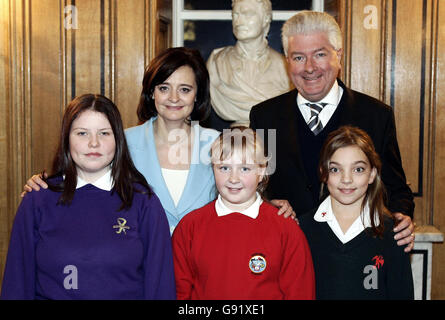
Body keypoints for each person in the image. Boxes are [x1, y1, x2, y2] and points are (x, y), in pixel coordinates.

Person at [22, 47, 295, 235]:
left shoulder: (218, 144)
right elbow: (85, 179)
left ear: (198, 96)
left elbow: (241, 189)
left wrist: (271, 204)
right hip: (138, 266)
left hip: (203, 267)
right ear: (151, 93)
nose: (174, 98)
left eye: (185, 89)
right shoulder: (121, 142)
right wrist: (45, 186)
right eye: (164, 88)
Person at [249, 10, 416, 251]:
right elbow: (255, 187)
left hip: (355, 255)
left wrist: (402, 218)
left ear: (338, 55)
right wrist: (265, 203)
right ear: (287, 61)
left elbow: (396, 189)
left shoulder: (376, 115)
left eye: (319, 54)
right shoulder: (264, 116)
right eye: (298, 57)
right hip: (285, 253)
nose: (309, 68)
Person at [1, 94, 175, 300]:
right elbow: (17, 283)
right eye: (82, 133)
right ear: (67, 139)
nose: (94, 143)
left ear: (118, 140)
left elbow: (161, 287)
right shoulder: (38, 199)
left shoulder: (144, 202)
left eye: (104, 133)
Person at [172, 127, 315, 299]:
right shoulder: (190, 227)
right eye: (224, 168)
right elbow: (178, 291)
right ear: (213, 168)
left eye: (245, 169)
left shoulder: (286, 229)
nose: (233, 178)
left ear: (262, 171)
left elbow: (300, 292)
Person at [299, 125, 414, 299]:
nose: (347, 179)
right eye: (335, 169)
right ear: (323, 173)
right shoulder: (303, 229)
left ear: (372, 174)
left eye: (358, 169)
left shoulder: (394, 234)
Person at [206, 0, 292, 127]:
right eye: (235, 15)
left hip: (271, 139)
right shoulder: (216, 62)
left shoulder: (285, 66)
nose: (238, 21)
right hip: (235, 137)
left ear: (266, 19)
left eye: (248, 14)